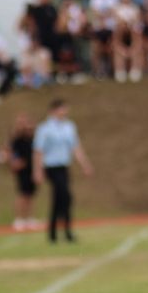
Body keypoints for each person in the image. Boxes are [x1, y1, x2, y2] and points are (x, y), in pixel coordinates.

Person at [33, 98, 92, 243]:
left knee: (61, 199)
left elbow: (75, 148)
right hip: (51, 167)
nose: (64, 112)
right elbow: (38, 151)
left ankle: (57, 232)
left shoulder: (69, 127)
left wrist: (85, 164)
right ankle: (64, 232)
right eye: (62, 109)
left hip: (64, 166)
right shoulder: (44, 128)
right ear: (53, 110)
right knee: (64, 195)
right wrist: (37, 171)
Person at [7, 113, 38, 230]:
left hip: (31, 169)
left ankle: (29, 218)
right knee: (22, 194)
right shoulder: (16, 139)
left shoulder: (32, 138)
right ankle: (19, 219)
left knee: (30, 195)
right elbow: (10, 152)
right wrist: (14, 163)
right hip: (22, 170)